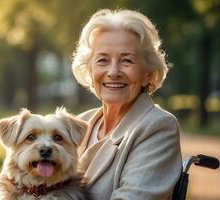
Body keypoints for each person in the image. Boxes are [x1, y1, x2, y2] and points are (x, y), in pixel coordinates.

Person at [71, 9, 182, 199]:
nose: (113, 72)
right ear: (90, 71)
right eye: (102, 60)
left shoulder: (158, 127)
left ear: (148, 74)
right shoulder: (78, 124)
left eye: (127, 60)